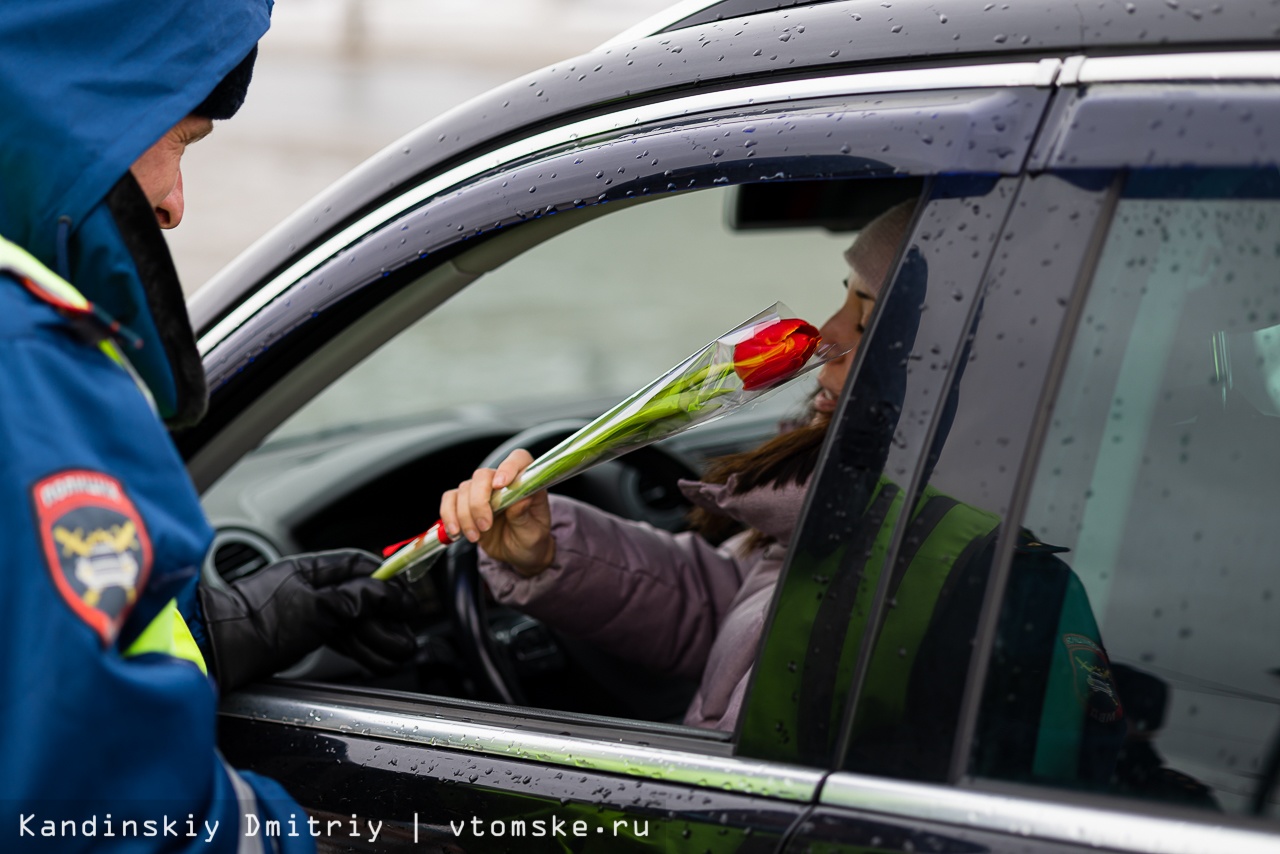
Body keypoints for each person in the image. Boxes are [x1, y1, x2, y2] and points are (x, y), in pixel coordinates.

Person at [0, 1, 416, 849]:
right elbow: (93, 815)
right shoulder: (28, 362)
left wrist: (227, 630)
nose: (176, 203)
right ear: (87, 109)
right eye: (181, 141)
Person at [440, 201, 916, 732]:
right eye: (843, 297)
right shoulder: (836, 498)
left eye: (868, 318)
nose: (827, 333)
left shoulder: (902, 571)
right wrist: (547, 554)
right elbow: (736, 612)